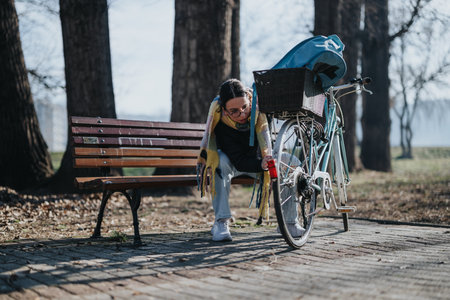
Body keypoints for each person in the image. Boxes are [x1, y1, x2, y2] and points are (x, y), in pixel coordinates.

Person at [197, 79, 304, 242]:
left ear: (249, 99)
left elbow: (269, 144)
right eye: (234, 111)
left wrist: (267, 160)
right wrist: (260, 164)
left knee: (290, 162)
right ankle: (221, 222)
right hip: (234, 164)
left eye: (244, 107)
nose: (242, 114)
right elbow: (238, 160)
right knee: (218, 161)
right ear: (224, 111)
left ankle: (289, 222)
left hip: (261, 162)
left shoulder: (259, 111)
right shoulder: (221, 124)